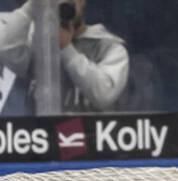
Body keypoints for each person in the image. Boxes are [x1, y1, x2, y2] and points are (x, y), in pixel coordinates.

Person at [0, 0, 128, 112]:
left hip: (93, 134)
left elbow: (104, 94)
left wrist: (66, 48)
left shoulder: (108, 47)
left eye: (70, 3)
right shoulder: (43, 46)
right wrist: (32, 6)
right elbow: (6, 49)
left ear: (82, 1)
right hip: (45, 135)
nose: (63, 10)